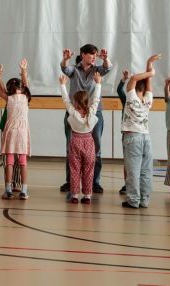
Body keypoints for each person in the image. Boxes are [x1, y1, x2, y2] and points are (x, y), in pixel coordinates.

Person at [60, 44, 111, 193]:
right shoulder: (74, 70)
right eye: (91, 54)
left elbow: (107, 68)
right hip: (74, 114)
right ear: (83, 55)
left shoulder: (97, 70)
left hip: (95, 113)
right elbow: (65, 68)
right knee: (70, 147)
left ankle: (94, 182)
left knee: (97, 148)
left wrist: (106, 59)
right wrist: (65, 59)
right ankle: (70, 182)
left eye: (95, 54)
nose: (94, 57)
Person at [120, 54, 159, 209]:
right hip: (145, 138)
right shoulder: (148, 100)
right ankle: (145, 200)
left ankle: (133, 200)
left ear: (134, 89)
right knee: (145, 171)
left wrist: (151, 72)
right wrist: (149, 64)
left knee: (133, 171)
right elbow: (145, 83)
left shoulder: (131, 98)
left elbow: (134, 78)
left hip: (132, 138)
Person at [59, 71, 102, 204]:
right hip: (89, 142)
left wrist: (62, 85)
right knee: (89, 169)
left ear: (76, 102)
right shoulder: (92, 112)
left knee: (75, 169)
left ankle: (75, 195)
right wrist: (98, 84)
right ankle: (88, 195)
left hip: (75, 141)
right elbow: (96, 99)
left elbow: (65, 100)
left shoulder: (72, 113)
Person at [0, 59, 32, 200]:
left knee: (9, 161)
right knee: (22, 161)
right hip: (22, 132)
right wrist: (23, 69)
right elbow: (26, 83)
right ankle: (24, 190)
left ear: (9, 89)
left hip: (10, 131)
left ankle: (8, 189)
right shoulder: (25, 97)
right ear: (21, 88)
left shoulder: (8, 98)